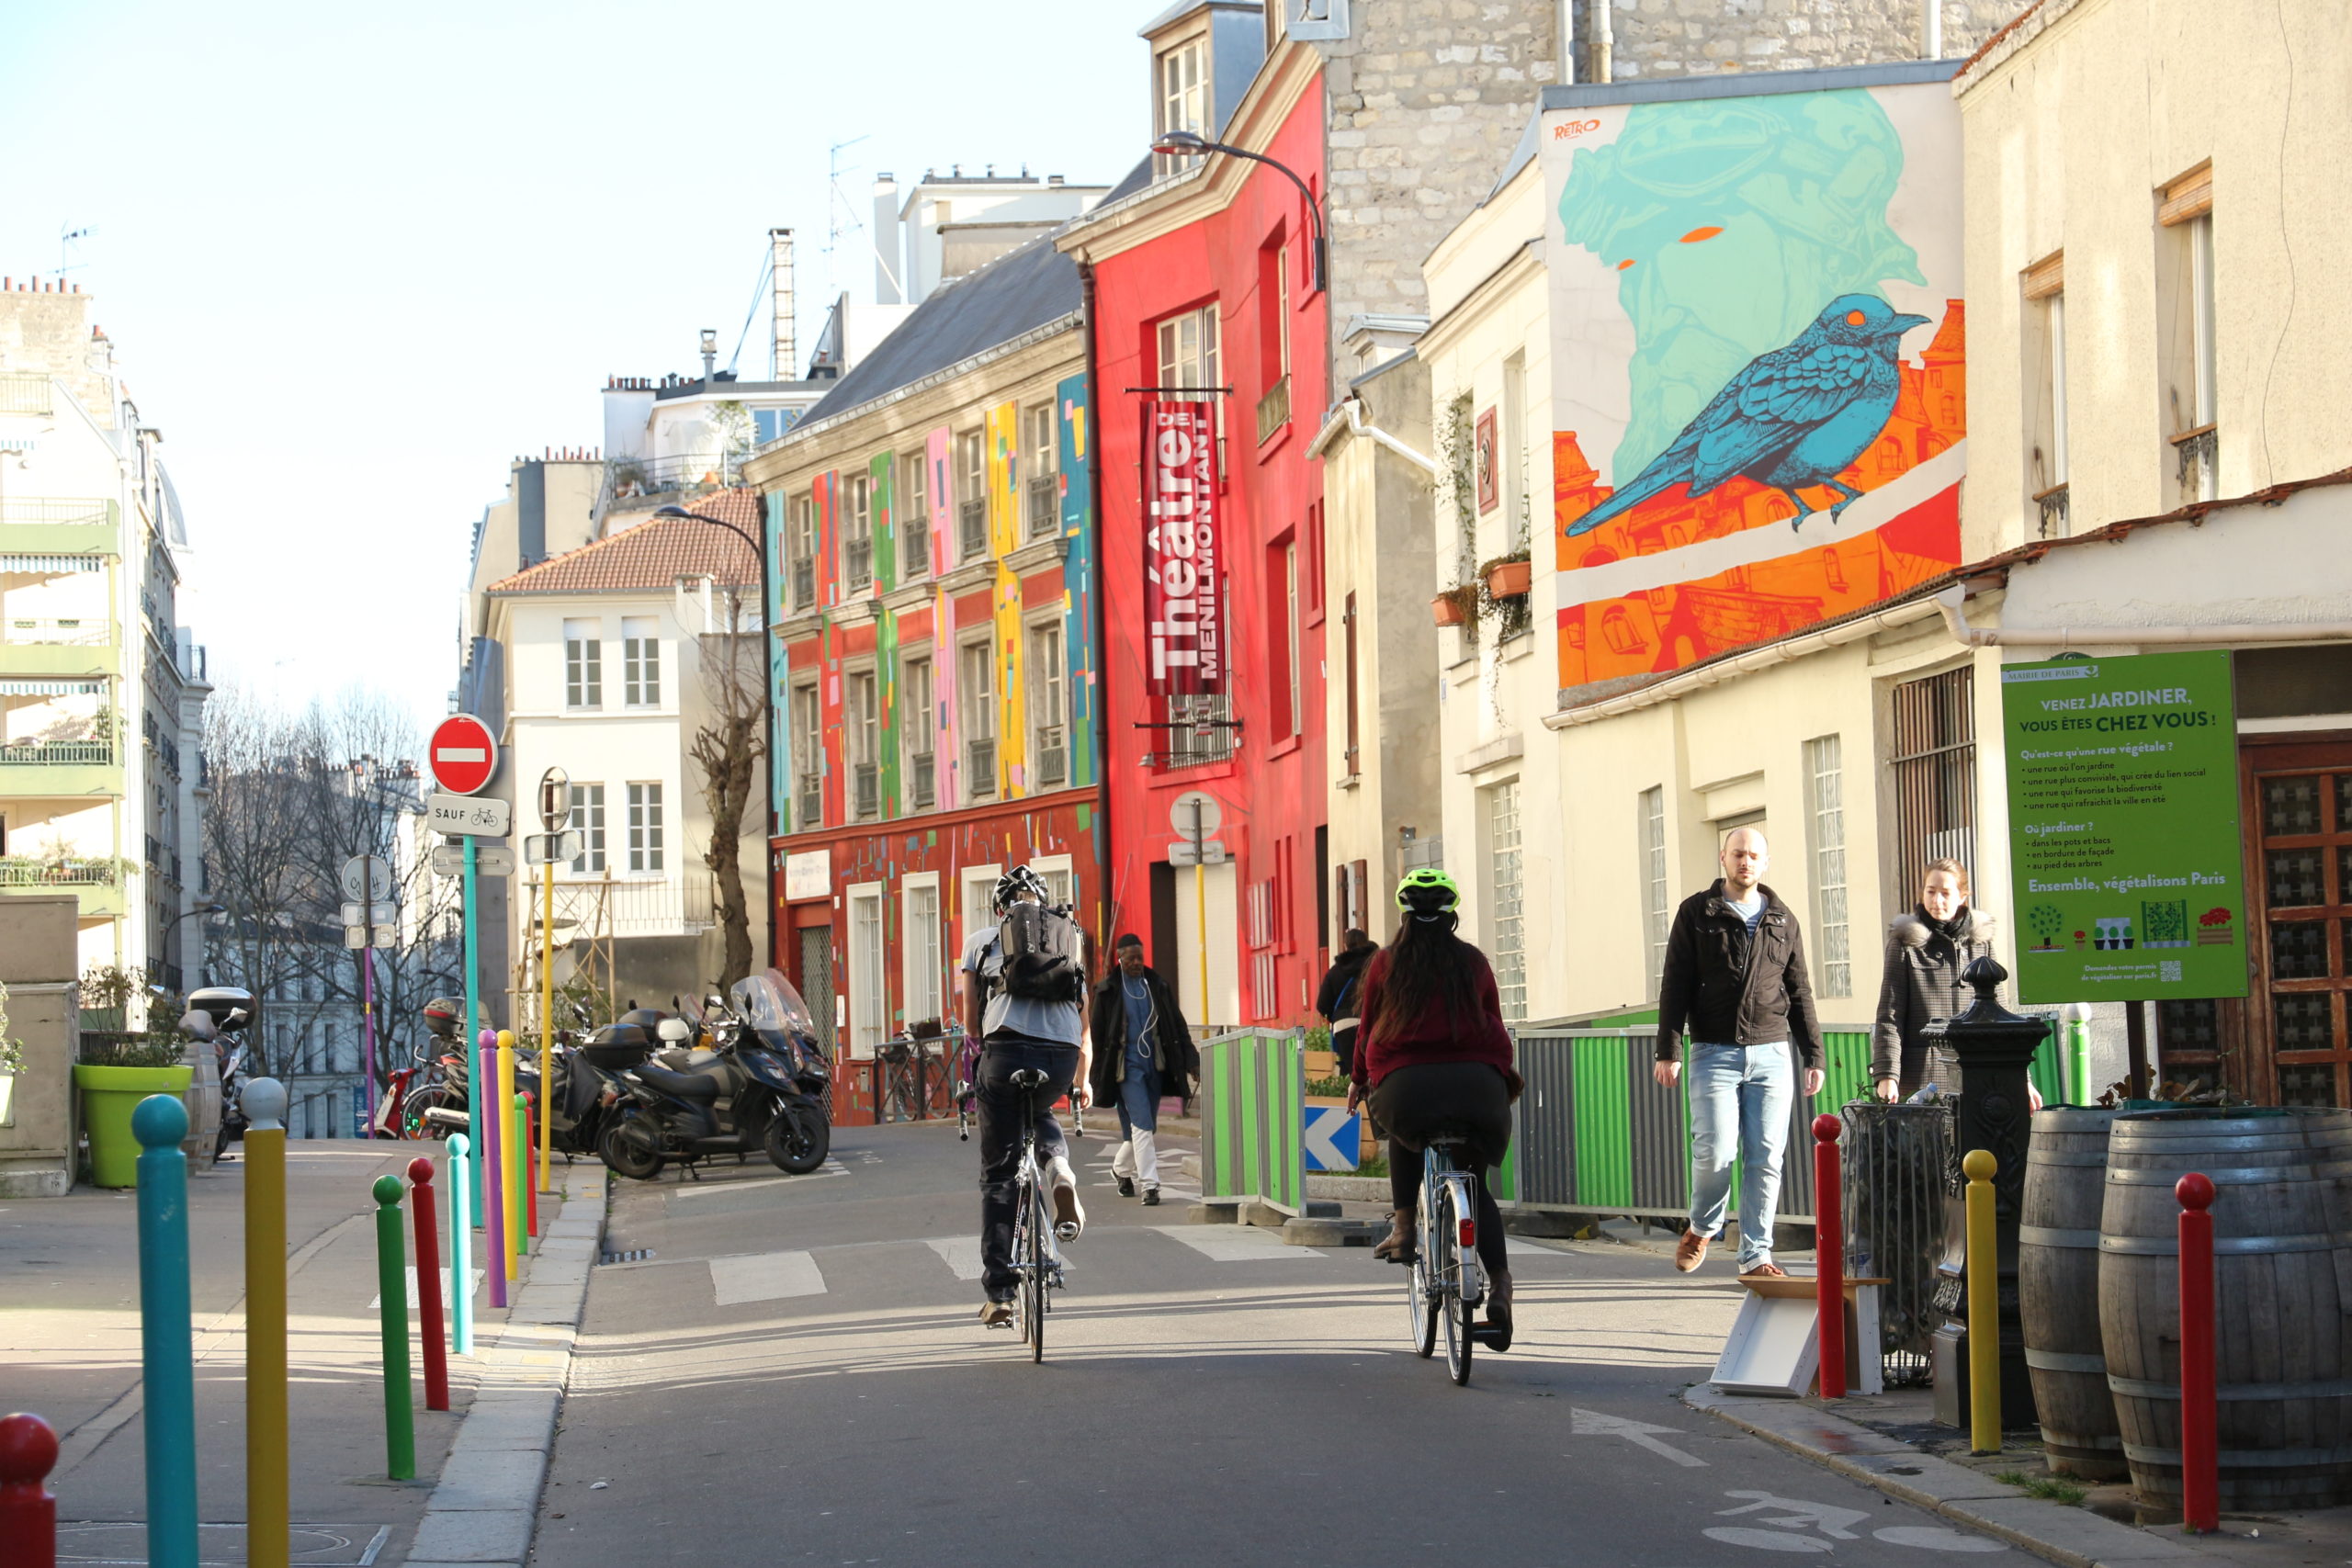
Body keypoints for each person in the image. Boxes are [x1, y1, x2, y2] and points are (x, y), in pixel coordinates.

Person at [1346, 869, 1520, 1345]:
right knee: (1475, 1182)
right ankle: (1501, 1284)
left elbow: (1366, 1031)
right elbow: (1496, 1026)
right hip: (1476, 1086)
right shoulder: (1474, 963)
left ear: (1405, 915)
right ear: (1452, 917)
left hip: (1407, 1087)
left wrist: (1359, 1081)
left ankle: (1404, 1228)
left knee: (1404, 1133)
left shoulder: (1385, 964)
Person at [1654, 828, 1824, 1278]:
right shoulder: (1697, 913)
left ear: (1765, 862)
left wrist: (1815, 1055)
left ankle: (1757, 1254)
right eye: (1737, 854)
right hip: (1713, 1051)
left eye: (1753, 855)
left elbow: (1799, 989)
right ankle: (1703, 1226)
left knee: (1766, 1156)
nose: (1745, 861)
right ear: (1723, 859)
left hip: (1772, 1053)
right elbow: (1675, 984)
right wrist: (1668, 1049)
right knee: (1715, 1151)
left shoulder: (1783, 919)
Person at [961, 865, 1091, 1327]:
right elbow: (1083, 1016)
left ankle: (1000, 1294)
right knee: (1038, 1107)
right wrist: (1082, 1078)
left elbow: (971, 1018)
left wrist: (977, 1063)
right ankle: (1059, 1170)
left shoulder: (981, 940)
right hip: (1061, 1051)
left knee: (999, 1174)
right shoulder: (1070, 935)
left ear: (1001, 908)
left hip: (1006, 1048)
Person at [1873, 859, 2004, 1101]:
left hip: (1976, 1079)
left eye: (1945, 893)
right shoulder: (1906, 944)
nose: (1937, 901)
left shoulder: (1981, 945)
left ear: (1962, 896)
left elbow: (2000, 1019)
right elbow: (1890, 1016)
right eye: (1930, 892)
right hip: (1922, 1081)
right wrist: (1887, 1074)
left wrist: (2023, 1080)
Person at [1087, 934, 1199, 1206]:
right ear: (1120, 959)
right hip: (1126, 1069)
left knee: (1144, 1128)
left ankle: (1120, 1170)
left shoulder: (1157, 986)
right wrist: (1093, 1076)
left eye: (1140, 957)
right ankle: (1151, 1185)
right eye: (1131, 958)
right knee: (1142, 1126)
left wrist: (1191, 1061)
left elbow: (1177, 1025)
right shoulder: (1107, 991)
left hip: (1155, 1066)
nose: (1137, 962)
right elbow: (1097, 1037)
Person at [1315, 929, 1378, 1079]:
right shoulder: (1374, 967)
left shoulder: (1335, 972)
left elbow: (1322, 1005)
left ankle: (1353, 1100)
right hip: (1372, 1023)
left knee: (1351, 1074)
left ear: (1345, 945)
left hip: (1343, 1026)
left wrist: (1337, 1016)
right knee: (1374, 1071)